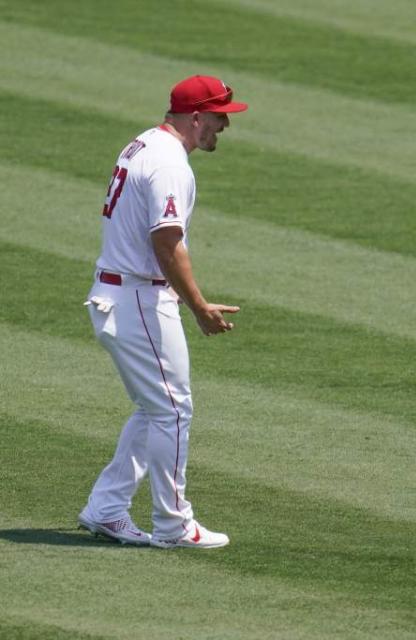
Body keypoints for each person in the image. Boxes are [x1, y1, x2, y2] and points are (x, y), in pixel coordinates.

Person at [78, 75, 247, 548]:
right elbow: (166, 240)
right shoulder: (170, 163)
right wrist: (198, 306)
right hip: (137, 298)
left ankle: (106, 508)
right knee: (173, 409)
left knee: (156, 408)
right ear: (196, 117)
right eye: (219, 118)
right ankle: (174, 525)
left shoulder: (144, 144)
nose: (224, 128)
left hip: (123, 291)